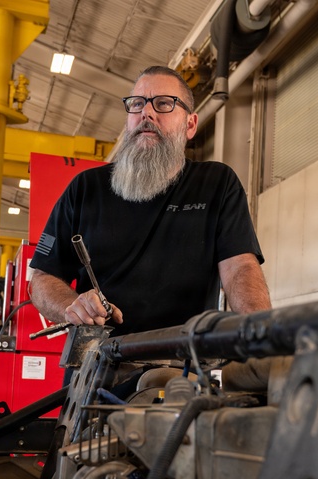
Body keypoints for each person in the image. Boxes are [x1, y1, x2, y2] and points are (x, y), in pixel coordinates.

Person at [29, 65, 271, 337]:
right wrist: (71, 307)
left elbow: (239, 267)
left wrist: (261, 335)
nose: (147, 112)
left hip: (182, 358)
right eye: (137, 104)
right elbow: (42, 279)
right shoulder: (85, 188)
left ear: (190, 125)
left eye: (164, 104)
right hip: (97, 359)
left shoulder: (217, 184)